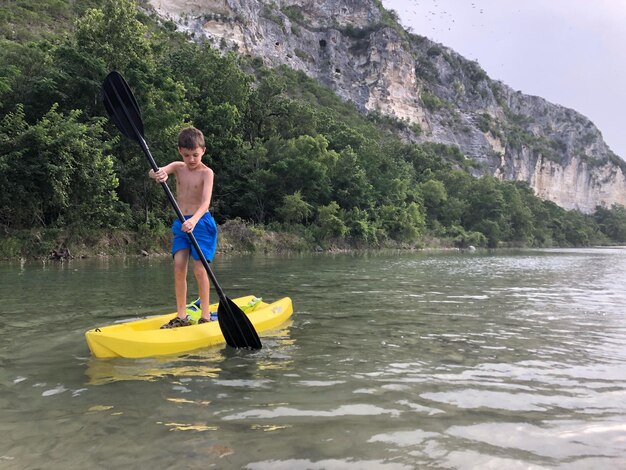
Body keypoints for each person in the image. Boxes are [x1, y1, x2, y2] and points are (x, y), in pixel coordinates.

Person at [149, 126, 217, 328]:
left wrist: (194, 221)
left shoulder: (207, 173)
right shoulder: (178, 167)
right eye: (187, 155)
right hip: (181, 222)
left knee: (199, 270)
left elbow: (205, 203)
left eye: (195, 155)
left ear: (203, 151)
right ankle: (182, 316)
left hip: (201, 223)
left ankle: (205, 315)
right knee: (178, 267)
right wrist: (158, 175)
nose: (191, 159)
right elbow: (154, 172)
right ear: (180, 151)